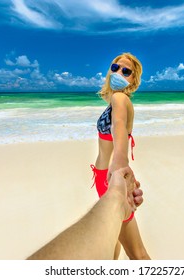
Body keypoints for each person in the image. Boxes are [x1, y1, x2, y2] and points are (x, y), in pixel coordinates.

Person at [91, 52, 150, 260]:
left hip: (111, 179)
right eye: (115, 67)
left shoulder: (119, 98)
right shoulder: (118, 101)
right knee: (114, 239)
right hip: (105, 178)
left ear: (133, 79)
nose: (118, 72)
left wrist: (119, 172)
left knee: (137, 253)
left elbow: (119, 130)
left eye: (126, 71)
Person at [27, 167, 144, 260]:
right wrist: (118, 196)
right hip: (111, 177)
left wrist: (117, 196)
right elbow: (120, 158)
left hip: (104, 174)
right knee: (139, 255)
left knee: (114, 246)